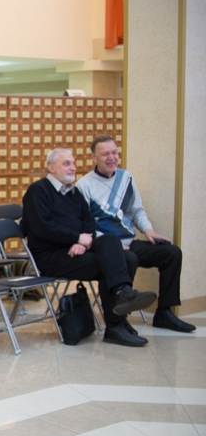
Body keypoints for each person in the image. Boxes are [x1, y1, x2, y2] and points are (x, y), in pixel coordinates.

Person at [22, 148, 158, 347]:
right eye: (66, 163)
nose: (73, 167)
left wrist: (80, 243)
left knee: (120, 249)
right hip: (51, 256)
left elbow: (89, 224)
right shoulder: (38, 191)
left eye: (73, 163)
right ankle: (115, 325)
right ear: (51, 168)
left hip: (75, 249)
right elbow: (43, 228)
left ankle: (122, 294)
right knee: (108, 266)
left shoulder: (74, 192)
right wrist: (76, 238)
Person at [76, 135, 194, 333]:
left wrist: (148, 230)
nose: (112, 157)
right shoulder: (84, 185)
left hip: (130, 241)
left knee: (172, 253)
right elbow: (84, 226)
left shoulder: (126, 178)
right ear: (93, 158)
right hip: (107, 247)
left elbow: (137, 211)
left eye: (114, 152)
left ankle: (164, 313)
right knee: (128, 258)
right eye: (105, 154)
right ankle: (119, 321)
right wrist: (110, 243)